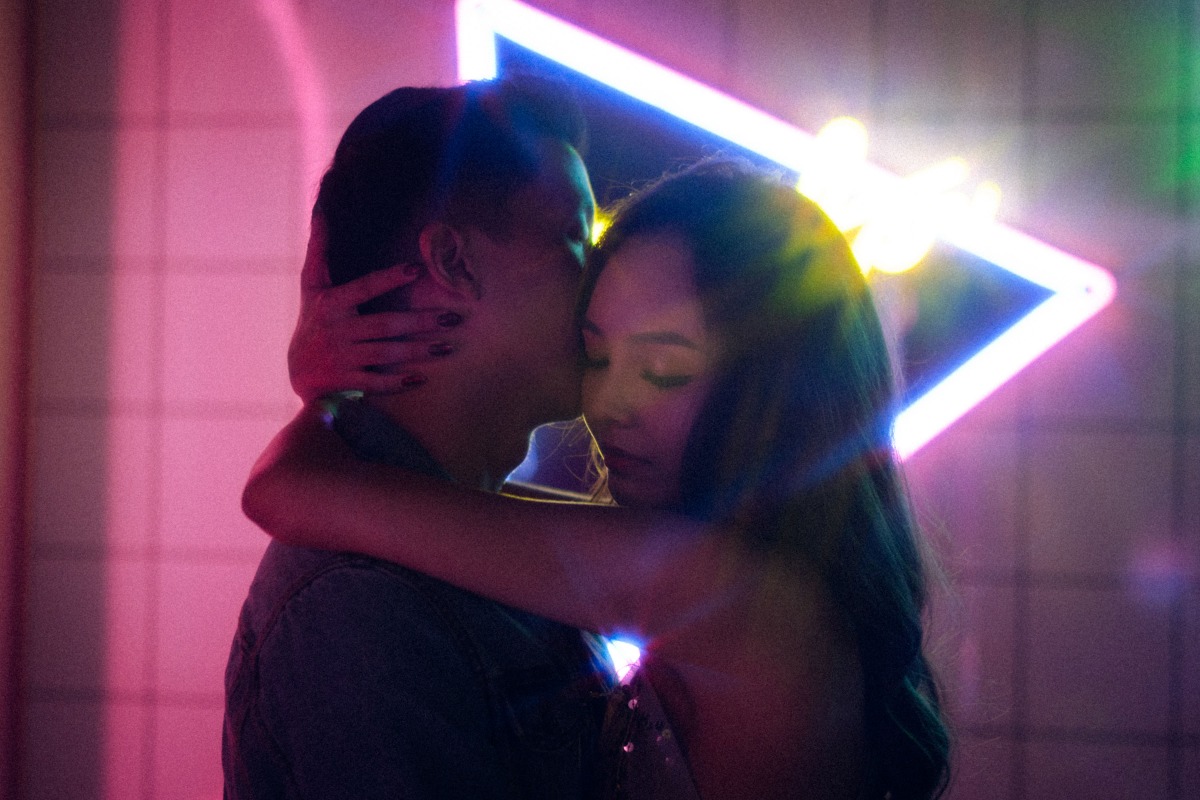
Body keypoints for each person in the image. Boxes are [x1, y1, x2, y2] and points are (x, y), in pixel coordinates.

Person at [245, 161, 953, 799]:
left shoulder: (729, 594)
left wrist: (328, 388)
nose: (609, 406)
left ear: (782, 388)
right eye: (596, 357)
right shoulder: (738, 572)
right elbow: (442, 505)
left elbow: (285, 493)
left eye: (663, 370)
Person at [222, 76, 620, 799]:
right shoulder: (358, 607)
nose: (603, 288)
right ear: (456, 263)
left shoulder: (480, 539)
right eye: (574, 240)